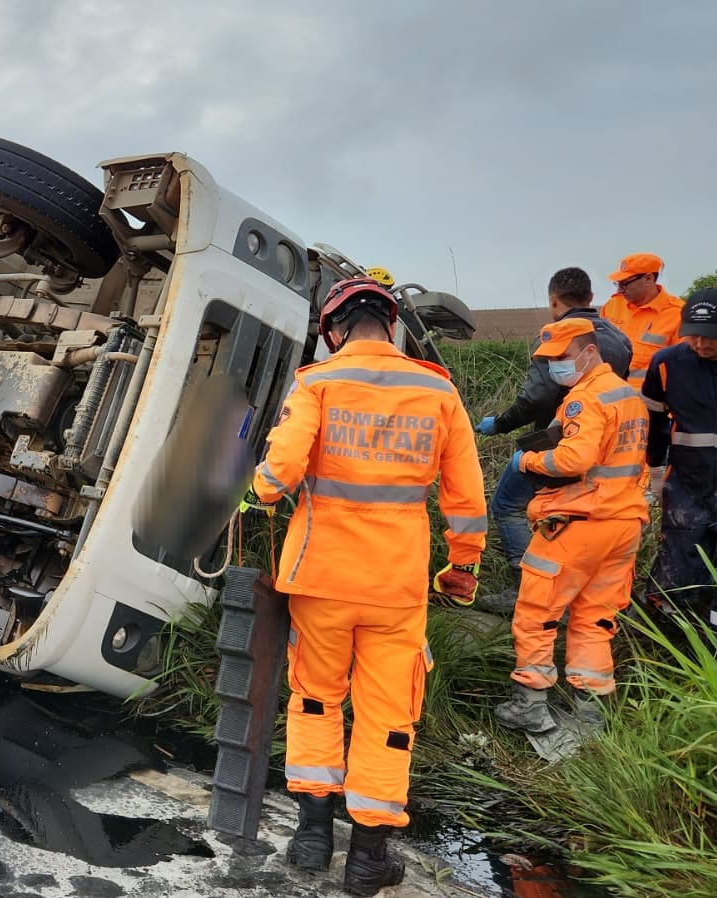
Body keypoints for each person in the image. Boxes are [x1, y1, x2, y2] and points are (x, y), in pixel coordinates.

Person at [248, 277, 486, 896]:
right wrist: (463, 565)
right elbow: (465, 494)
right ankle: (367, 860)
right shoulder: (438, 389)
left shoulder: (317, 382)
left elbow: (279, 474)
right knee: (388, 714)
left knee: (316, 697)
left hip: (320, 577)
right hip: (396, 583)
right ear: (393, 324)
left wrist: (259, 493)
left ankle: (310, 839)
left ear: (332, 330)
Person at [494, 317, 649, 733]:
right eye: (549, 360)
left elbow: (573, 460)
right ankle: (591, 712)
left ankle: (530, 705)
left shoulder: (586, 399)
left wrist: (525, 461)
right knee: (594, 617)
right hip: (623, 524)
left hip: (578, 522)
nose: (555, 367)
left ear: (590, 351)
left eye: (562, 357)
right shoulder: (627, 396)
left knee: (536, 613)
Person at [475, 267, 632, 571]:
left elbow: (537, 397)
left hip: (556, 444)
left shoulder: (555, 339)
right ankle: (565, 582)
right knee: (574, 515)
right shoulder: (620, 338)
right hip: (605, 449)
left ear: (554, 301)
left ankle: (526, 583)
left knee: (507, 506)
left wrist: (500, 424)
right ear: (590, 297)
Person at [642, 287, 717, 637]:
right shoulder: (667, 364)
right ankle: (674, 641)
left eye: (711, 337)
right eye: (692, 334)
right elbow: (654, 424)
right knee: (678, 576)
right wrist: (654, 472)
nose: (700, 344)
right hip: (687, 487)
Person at [601, 252, 685, 392]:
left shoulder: (678, 314)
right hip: (609, 400)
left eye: (625, 283)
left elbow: (685, 369)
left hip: (650, 406)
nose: (619, 290)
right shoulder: (612, 305)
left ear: (648, 278)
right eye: (618, 283)